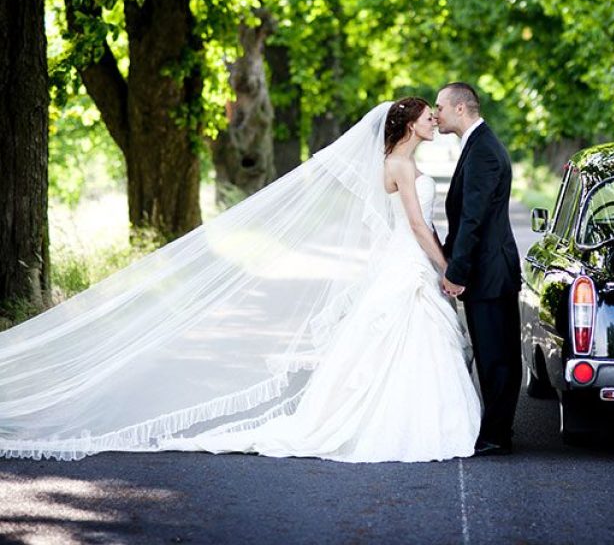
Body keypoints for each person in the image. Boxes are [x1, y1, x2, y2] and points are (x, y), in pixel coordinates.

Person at [0, 99, 480, 462]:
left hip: (404, 261)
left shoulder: (401, 163)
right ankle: (398, 424)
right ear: (407, 124)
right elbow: (417, 227)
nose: (434, 120)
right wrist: (445, 267)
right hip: (409, 261)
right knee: (399, 338)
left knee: (394, 345)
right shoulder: (398, 165)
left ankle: (396, 417)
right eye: (427, 117)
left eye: (435, 116)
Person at [435, 82, 522, 456]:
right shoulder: (477, 144)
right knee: (493, 353)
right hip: (488, 269)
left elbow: (474, 219)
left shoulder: (483, 150)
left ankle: (497, 436)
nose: (434, 114)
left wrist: (456, 271)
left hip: (489, 271)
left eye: (439, 106)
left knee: (496, 355)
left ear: (459, 108)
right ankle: (497, 431)